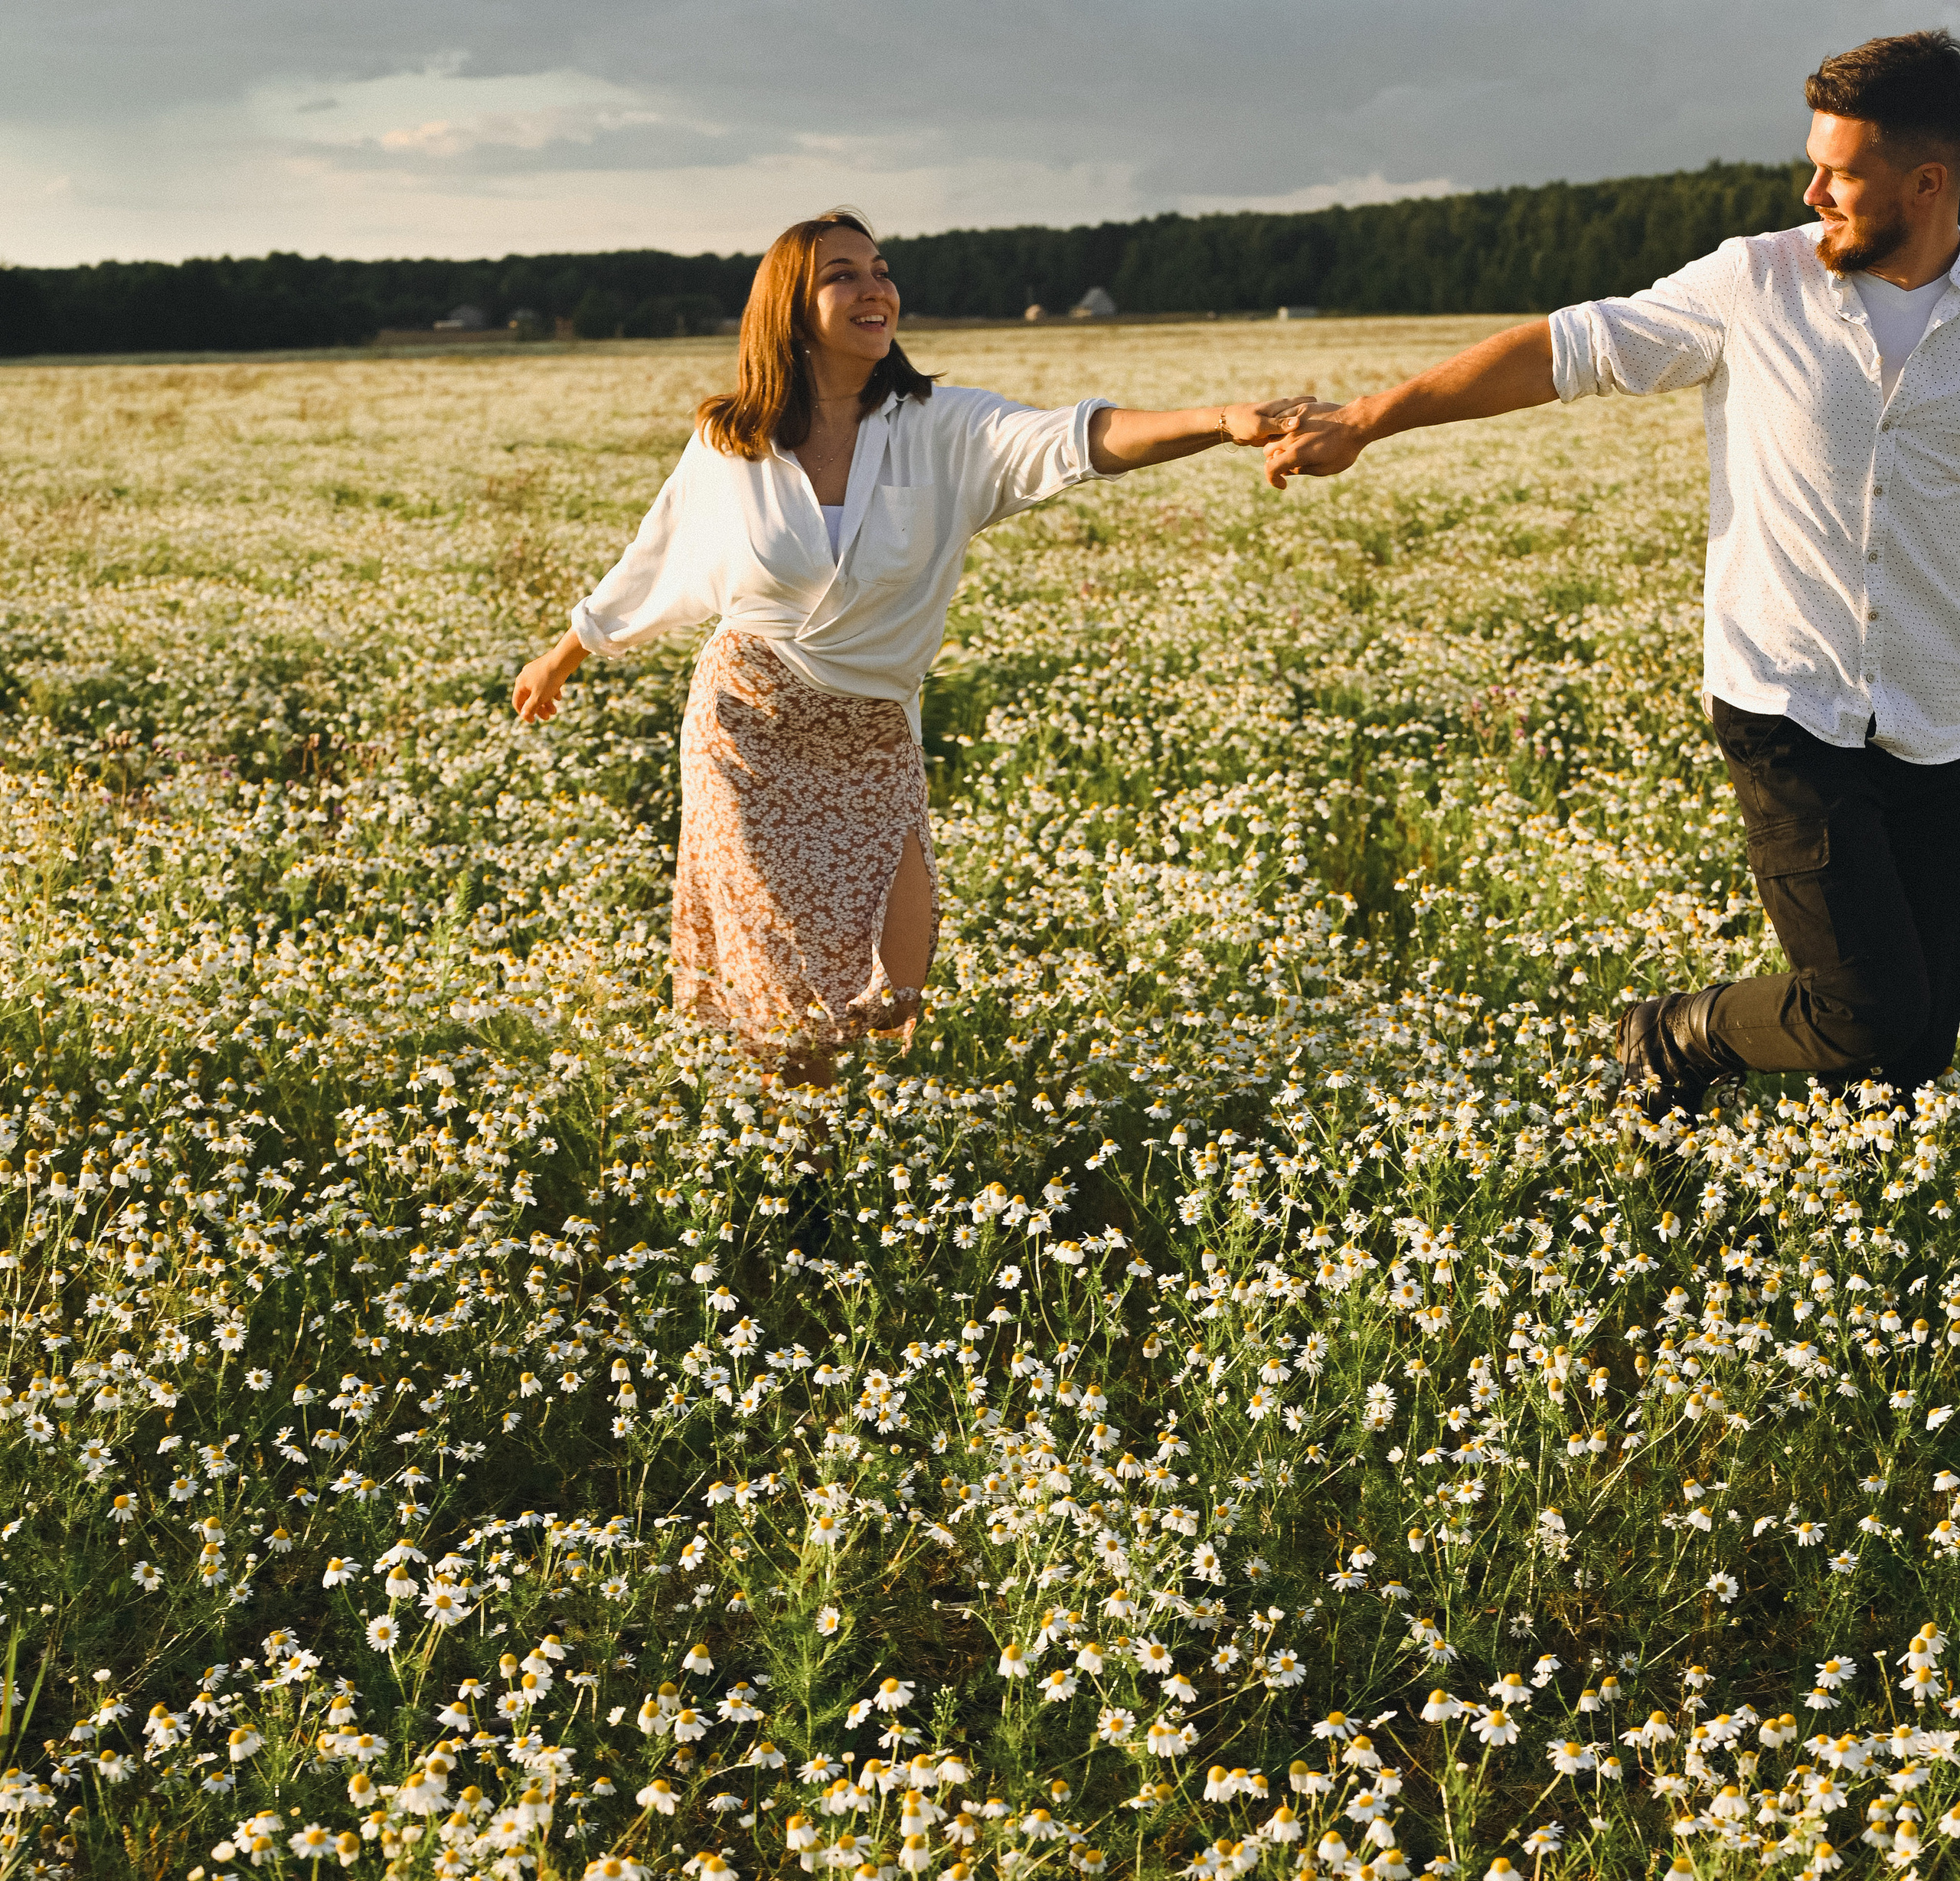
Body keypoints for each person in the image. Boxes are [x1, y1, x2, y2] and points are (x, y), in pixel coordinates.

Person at [1265, 27, 1960, 1123]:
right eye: (1812, 164)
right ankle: (1673, 1033)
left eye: (1840, 173)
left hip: (1936, 717)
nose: (1811, 191)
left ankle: (1817, 1169)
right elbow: (1562, 351)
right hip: (1788, 704)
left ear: (1928, 183)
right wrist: (1365, 419)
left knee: (1917, 1042)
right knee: (1867, 1011)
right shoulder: (1755, 282)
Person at [514, 210, 1303, 1083]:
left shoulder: (944, 426)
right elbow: (655, 555)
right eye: (843, 275)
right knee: (788, 992)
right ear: (788, 307)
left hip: (872, 731)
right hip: (746, 731)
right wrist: (565, 652)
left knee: (896, 982)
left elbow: (1079, 438)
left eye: (882, 270)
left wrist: (1221, 421)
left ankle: (831, 1126)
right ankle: (795, 1152)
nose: (875, 289)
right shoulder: (731, 441)